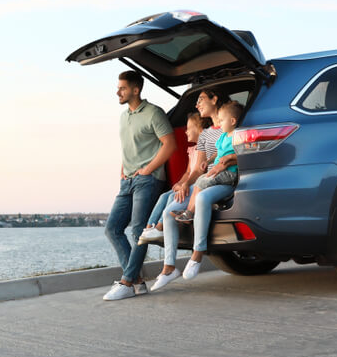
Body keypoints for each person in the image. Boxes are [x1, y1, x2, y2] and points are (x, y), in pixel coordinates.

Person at [151, 100, 243, 291]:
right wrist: (186, 182)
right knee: (169, 212)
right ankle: (169, 267)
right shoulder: (214, 134)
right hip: (208, 178)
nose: (197, 104)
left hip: (222, 179)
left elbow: (242, 152)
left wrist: (227, 159)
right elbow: (197, 167)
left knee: (201, 196)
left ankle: (197, 254)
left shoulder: (237, 133)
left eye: (201, 99)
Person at [102, 70, 177, 301]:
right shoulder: (124, 116)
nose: (118, 92)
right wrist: (122, 171)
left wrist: (148, 169)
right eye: (118, 88)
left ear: (136, 90)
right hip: (127, 181)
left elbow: (170, 144)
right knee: (112, 229)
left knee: (138, 231)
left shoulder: (154, 113)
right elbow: (128, 149)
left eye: (122, 88)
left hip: (148, 179)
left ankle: (127, 282)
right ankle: (136, 280)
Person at [137, 112, 206, 245]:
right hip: (188, 181)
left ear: (200, 129)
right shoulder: (192, 149)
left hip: (194, 183)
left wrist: (185, 184)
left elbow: (198, 172)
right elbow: (188, 172)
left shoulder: (204, 149)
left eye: (189, 128)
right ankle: (149, 228)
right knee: (164, 196)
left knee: (171, 197)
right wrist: (179, 183)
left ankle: (160, 227)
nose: (186, 131)